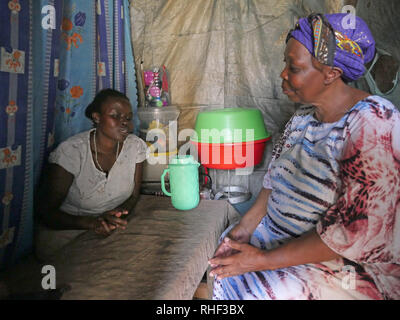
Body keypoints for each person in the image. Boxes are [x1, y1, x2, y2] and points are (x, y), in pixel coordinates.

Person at [209, 13, 400, 300]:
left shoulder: (374, 123)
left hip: (346, 266)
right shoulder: (303, 117)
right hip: (279, 238)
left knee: (258, 291)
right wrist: (243, 230)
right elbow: (275, 180)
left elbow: (356, 232)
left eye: (294, 67)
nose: (283, 74)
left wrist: (260, 260)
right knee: (222, 258)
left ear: (331, 74)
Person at [35, 88, 147, 260]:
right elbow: (46, 212)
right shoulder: (71, 152)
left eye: (128, 118)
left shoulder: (135, 147)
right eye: (115, 116)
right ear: (96, 117)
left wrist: (115, 217)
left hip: (109, 228)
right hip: (67, 233)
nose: (124, 123)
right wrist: (91, 223)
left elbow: (133, 195)